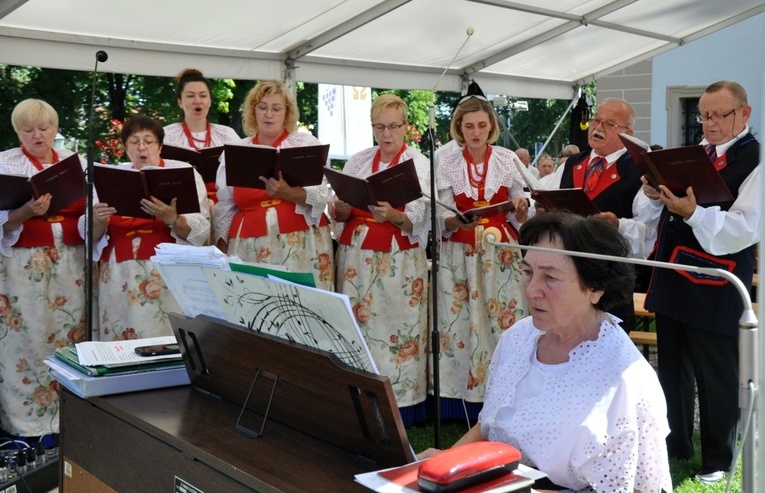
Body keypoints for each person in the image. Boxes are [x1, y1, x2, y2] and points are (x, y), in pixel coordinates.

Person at [419, 212, 673, 493]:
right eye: (528, 272)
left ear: (595, 288)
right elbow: (489, 426)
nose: (532, 290)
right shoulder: (517, 338)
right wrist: (444, 465)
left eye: (550, 277)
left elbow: (635, 488)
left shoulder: (624, 377)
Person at [644, 80, 761, 484]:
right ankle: (676, 441)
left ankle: (719, 457)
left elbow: (746, 227)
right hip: (676, 273)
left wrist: (693, 213)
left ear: (744, 114)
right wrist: (659, 193)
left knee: (716, 373)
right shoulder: (701, 155)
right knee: (672, 365)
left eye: (719, 115)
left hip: (717, 281)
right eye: (703, 115)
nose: (709, 124)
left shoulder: (756, 161)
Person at [332, 94, 431, 425]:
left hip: (397, 258)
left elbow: (419, 220)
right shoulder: (359, 160)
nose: (386, 134)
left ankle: (403, 402)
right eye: (379, 127)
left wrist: (394, 215)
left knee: (396, 325)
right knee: (357, 325)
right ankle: (357, 395)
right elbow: (340, 209)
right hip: (355, 256)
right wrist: (341, 209)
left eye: (392, 126)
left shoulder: (418, 163)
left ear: (406, 127)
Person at [435, 94, 529, 420]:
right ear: (459, 127)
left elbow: (521, 215)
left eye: (482, 125)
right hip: (459, 251)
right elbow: (441, 216)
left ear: (492, 126)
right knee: (461, 321)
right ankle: (460, 401)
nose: (476, 132)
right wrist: (456, 220)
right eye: (469, 126)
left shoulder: (506, 159)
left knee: (502, 318)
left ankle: (508, 394)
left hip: (500, 253)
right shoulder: (446, 162)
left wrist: (521, 209)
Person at [0, 99, 88, 440]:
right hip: (24, 267)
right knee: (29, 339)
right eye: (28, 129)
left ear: (55, 128)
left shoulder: (71, 163)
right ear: (18, 132)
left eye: (44, 127)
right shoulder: (6, 163)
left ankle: (69, 417)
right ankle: (28, 424)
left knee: (69, 335)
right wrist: (24, 212)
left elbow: (88, 212)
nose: (38, 135)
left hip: (70, 263)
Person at [540, 98, 663, 332]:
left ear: (628, 133)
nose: (598, 127)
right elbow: (548, 199)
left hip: (610, 282)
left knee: (606, 355)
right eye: (596, 119)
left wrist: (617, 225)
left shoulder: (640, 169)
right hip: (565, 275)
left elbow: (650, 233)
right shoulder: (572, 164)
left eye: (609, 124)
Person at [95, 115, 210, 341]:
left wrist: (172, 219)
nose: (141, 147)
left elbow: (202, 230)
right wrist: (98, 219)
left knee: (165, 338)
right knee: (121, 337)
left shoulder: (183, 172)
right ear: (126, 147)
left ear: (160, 145)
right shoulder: (112, 176)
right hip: (119, 273)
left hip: (166, 272)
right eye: (134, 141)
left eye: (148, 141)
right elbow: (88, 234)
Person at [214, 80, 333, 291]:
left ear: (287, 113)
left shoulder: (305, 143)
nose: (269, 114)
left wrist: (289, 193)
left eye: (276, 108)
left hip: (300, 242)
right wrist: (221, 250)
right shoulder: (236, 151)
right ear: (253, 111)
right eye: (262, 107)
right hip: (249, 244)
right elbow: (225, 206)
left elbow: (321, 194)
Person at [163, 68, 240, 203]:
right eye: (190, 96)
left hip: (223, 204)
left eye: (203, 95)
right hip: (183, 206)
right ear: (180, 102)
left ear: (210, 101)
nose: (197, 100)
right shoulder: (166, 135)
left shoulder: (227, 134)